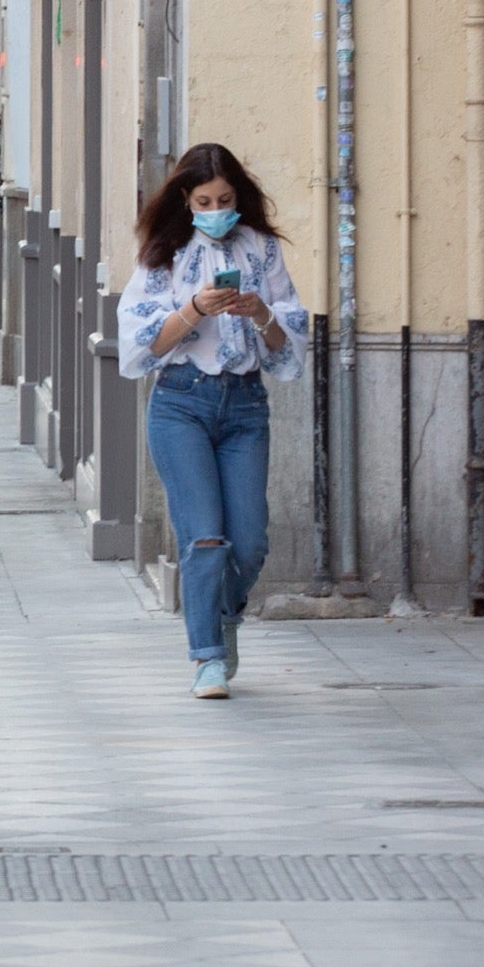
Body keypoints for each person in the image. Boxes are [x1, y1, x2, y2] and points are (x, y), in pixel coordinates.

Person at [117, 142, 307, 700]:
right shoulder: (164, 254)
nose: (217, 208)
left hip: (246, 406)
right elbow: (140, 347)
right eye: (205, 200)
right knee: (205, 537)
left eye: (226, 199)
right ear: (186, 199)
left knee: (247, 543)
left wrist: (260, 312)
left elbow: (289, 346)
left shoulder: (261, 249)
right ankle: (206, 658)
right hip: (181, 403)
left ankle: (225, 617)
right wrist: (195, 308)